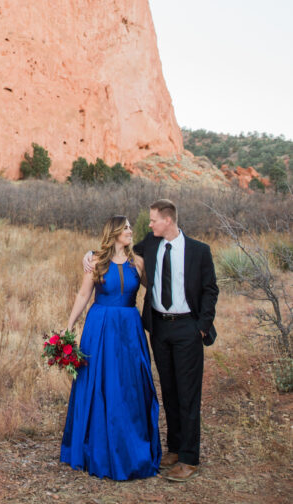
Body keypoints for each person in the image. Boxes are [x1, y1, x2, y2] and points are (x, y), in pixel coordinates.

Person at [84, 199, 219, 483]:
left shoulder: (199, 251)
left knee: (188, 394)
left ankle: (189, 459)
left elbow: (210, 290)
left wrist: (202, 327)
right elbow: (115, 250)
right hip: (159, 327)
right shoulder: (152, 244)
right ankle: (173, 448)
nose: (149, 224)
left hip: (188, 328)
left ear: (167, 220)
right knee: (168, 391)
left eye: (153, 220)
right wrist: (88, 254)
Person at [61, 215, 161, 480]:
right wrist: (70, 325)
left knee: (129, 385)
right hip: (100, 326)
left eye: (130, 227)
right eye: (126, 227)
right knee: (99, 384)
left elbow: (155, 290)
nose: (130, 231)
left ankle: (130, 447)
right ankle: (96, 447)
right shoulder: (96, 261)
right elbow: (84, 294)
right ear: (114, 232)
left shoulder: (137, 262)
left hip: (129, 330)